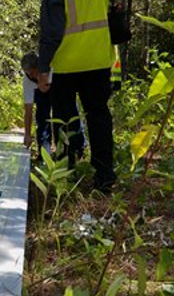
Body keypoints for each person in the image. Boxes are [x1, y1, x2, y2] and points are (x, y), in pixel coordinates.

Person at [38, 0, 118, 190]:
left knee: (63, 119)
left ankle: (65, 174)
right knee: (99, 116)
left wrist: (43, 68)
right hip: (99, 59)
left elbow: (53, 31)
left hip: (66, 64)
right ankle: (104, 174)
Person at [22, 52, 85, 159]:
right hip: (41, 96)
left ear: (40, 67)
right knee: (42, 119)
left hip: (58, 88)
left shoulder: (53, 69)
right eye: (28, 74)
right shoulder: (28, 80)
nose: (31, 76)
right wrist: (27, 134)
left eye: (33, 72)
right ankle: (45, 153)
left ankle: (76, 149)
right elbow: (28, 110)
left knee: (66, 117)